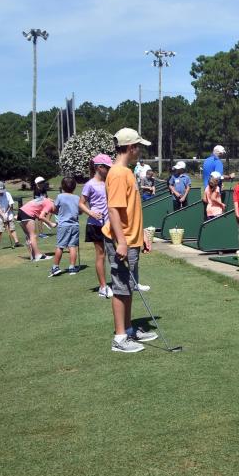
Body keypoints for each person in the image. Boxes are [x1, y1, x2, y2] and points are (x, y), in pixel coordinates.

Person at [103, 128, 158, 353]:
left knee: (129, 287)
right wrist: (123, 242)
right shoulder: (117, 173)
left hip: (131, 239)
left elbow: (132, 209)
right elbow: (114, 210)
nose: (140, 151)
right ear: (131, 147)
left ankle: (128, 329)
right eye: (139, 146)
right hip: (121, 240)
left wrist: (141, 234)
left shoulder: (126, 172)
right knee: (121, 288)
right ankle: (120, 338)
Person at [80, 154, 113, 297]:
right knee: (101, 255)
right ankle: (103, 287)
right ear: (100, 168)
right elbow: (81, 203)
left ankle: (122, 281)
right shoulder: (90, 184)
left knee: (115, 253)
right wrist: (91, 213)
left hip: (110, 224)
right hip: (95, 225)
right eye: (107, 168)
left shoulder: (109, 182)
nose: (109, 170)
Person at [49, 177, 82, 277]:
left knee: (60, 246)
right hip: (75, 225)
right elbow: (80, 211)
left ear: (62, 186)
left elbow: (54, 210)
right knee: (72, 246)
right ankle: (72, 267)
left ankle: (55, 267)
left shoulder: (60, 196)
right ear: (74, 187)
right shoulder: (77, 198)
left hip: (63, 225)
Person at [17, 195, 56, 261]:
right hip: (27, 213)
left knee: (29, 236)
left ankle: (33, 256)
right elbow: (41, 217)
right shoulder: (50, 204)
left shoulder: (46, 201)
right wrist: (50, 223)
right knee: (32, 235)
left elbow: (38, 215)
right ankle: (38, 255)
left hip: (22, 212)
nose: (53, 212)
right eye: (56, 211)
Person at [0, 181, 22, 250]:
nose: (1, 192)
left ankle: (17, 243)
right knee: (0, 230)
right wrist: (3, 215)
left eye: (2, 191)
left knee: (12, 229)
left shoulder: (7, 194)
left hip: (9, 214)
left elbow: (11, 204)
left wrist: (7, 213)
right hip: (0, 216)